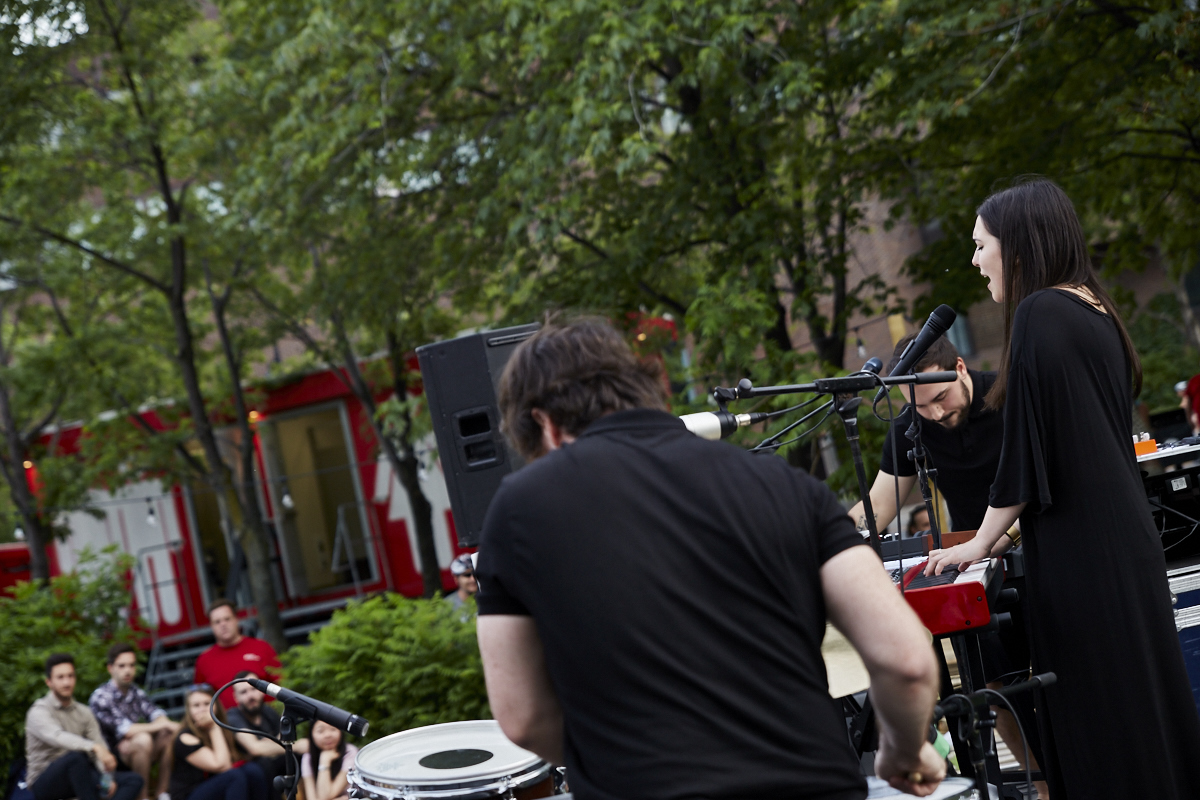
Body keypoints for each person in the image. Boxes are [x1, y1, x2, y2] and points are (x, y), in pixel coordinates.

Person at [475, 318, 945, 800]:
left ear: (544, 425)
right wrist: (902, 750)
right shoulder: (785, 486)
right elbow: (906, 660)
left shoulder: (520, 508)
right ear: (643, 391)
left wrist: (612, 756)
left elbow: (523, 717)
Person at [925, 178, 1200, 800]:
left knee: (1102, 721)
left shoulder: (1041, 312)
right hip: (1121, 542)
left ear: (1016, 245)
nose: (974, 260)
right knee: (1142, 710)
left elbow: (1027, 452)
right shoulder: (1091, 307)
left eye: (980, 245)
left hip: (1085, 554)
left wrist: (978, 545)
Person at [846, 334, 1044, 798]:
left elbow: (1035, 483)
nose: (934, 414)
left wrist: (991, 541)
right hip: (973, 565)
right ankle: (1043, 786)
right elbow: (879, 504)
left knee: (1048, 679)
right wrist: (824, 533)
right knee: (993, 692)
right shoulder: (910, 427)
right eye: (920, 407)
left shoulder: (1007, 396)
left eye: (940, 398)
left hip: (1035, 548)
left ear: (959, 368)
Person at [25, 653, 143, 800]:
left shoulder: (84, 712)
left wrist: (107, 779)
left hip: (80, 774)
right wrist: (93, 747)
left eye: (70, 676)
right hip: (45, 781)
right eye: (60, 678)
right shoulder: (38, 711)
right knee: (76, 758)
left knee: (133, 780)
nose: (67, 682)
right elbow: (57, 737)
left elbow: (100, 746)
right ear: (49, 682)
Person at [89, 643, 180, 800]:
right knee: (143, 739)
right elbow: (125, 730)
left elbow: (155, 713)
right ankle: (142, 797)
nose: (128, 670)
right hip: (109, 759)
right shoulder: (101, 696)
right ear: (110, 668)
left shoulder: (135, 691)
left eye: (131, 665)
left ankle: (162, 794)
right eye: (122, 665)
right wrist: (161, 724)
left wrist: (162, 722)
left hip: (132, 749)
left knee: (166, 734)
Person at [167, 686, 267, 800]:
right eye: (196, 705)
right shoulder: (185, 737)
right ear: (188, 710)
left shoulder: (224, 728)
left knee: (252, 770)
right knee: (233, 776)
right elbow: (222, 766)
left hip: (212, 786)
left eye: (207, 703)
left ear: (216, 706)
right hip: (189, 795)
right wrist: (213, 727)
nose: (202, 709)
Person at [193, 599, 280, 710]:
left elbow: (282, 683)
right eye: (217, 622)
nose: (223, 624)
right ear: (211, 626)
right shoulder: (204, 660)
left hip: (268, 718)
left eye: (227, 619)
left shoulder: (261, 647)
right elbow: (199, 698)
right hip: (226, 724)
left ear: (236, 620)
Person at [225, 671, 308, 787]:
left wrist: (267, 747)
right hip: (248, 772)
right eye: (243, 692)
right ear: (236, 697)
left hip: (271, 763)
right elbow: (255, 748)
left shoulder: (267, 710)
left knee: (301, 757)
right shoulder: (233, 716)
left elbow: (282, 737)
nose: (250, 696)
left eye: (253, 689)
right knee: (265, 765)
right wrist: (296, 746)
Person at [299, 721, 358, 800]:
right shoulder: (308, 757)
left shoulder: (350, 753)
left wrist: (324, 762)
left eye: (333, 729)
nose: (327, 735)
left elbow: (325, 796)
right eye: (320, 731)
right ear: (311, 735)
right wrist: (324, 760)